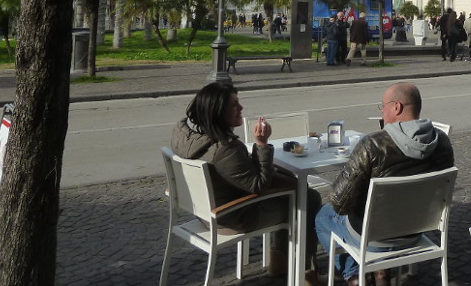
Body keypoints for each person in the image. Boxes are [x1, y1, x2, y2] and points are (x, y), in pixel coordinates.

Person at [171, 82, 321, 283]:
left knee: (292, 191)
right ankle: (306, 273)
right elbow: (258, 186)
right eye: (234, 105)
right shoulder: (226, 148)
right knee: (308, 198)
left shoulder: (188, 138)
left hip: (205, 212)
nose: (241, 108)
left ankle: (279, 261)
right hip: (233, 216)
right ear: (217, 111)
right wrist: (261, 144)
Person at [315, 83, 454, 286]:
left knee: (323, 216)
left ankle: (354, 276)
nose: (382, 111)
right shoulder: (441, 141)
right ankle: (382, 271)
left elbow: (339, 203)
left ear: (396, 107)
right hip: (416, 230)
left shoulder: (372, 144)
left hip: (374, 237)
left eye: (383, 106)